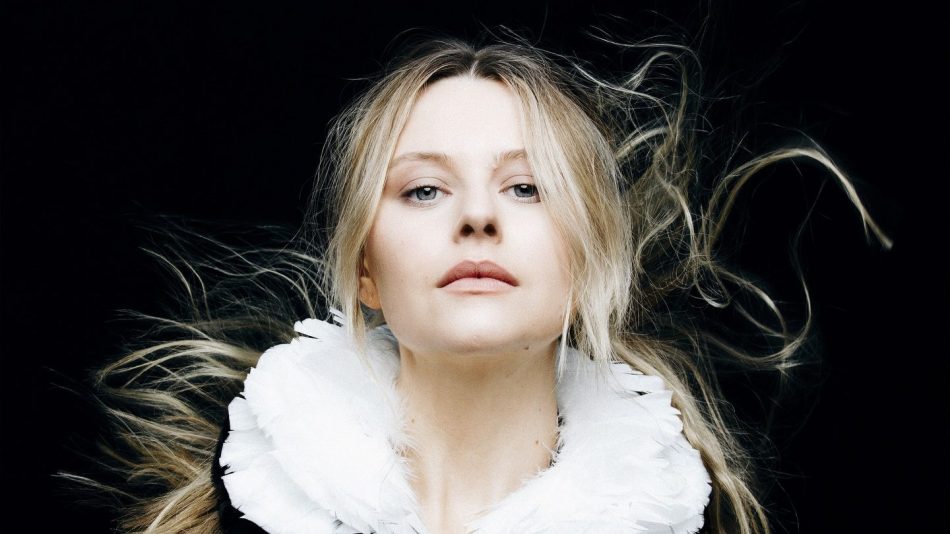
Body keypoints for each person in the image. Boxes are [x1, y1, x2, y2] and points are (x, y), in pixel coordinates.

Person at [65, 36, 889, 534]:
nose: (478, 217)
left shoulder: (668, 514)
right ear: (364, 268)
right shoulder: (243, 509)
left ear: (588, 261)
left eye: (527, 187)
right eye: (425, 189)